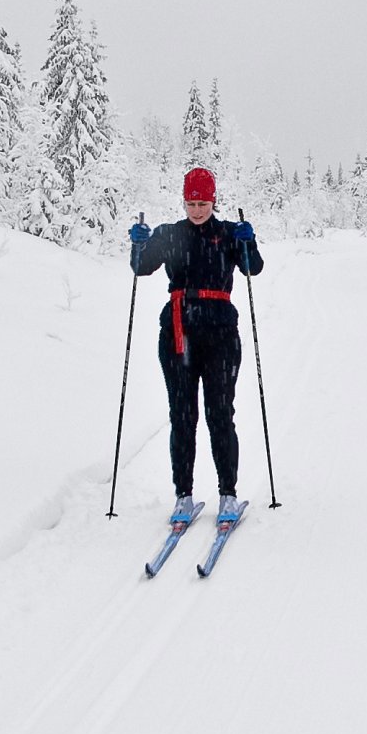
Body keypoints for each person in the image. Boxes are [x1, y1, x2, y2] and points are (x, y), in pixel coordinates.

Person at [128, 166, 263, 524]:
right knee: (182, 415)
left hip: (220, 334)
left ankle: (228, 495)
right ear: (184, 201)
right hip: (177, 332)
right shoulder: (170, 234)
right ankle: (183, 497)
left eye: (203, 202)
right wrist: (139, 243)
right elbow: (141, 267)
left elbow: (254, 268)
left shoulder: (229, 233)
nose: (197, 209)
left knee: (221, 414)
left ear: (213, 200)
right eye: (191, 202)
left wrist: (248, 242)